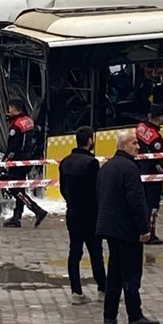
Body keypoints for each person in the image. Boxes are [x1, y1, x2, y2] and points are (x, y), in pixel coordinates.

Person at [95, 130, 158, 324]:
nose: (138, 147)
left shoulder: (106, 167)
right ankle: (135, 314)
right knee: (131, 273)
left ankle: (109, 314)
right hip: (127, 229)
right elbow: (136, 201)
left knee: (114, 272)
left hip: (110, 228)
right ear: (123, 146)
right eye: (134, 143)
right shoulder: (129, 168)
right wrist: (144, 228)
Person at [59, 126, 106, 305]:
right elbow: (96, 190)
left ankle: (76, 291)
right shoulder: (91, 163)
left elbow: (62, 188)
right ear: (89, 141)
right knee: (95, 252)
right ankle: (102, 288)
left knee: (75, 251)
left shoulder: (65, 162)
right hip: (90, 214)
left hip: (72, 212)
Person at [3, 99, 48, 228]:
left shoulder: (16, 125)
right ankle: (16, 217)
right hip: (28, 158)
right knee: (20, 187)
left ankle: (37, 210)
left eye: (9, 108)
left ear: (14, 108)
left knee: (14, 188)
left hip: (18, 160)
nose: (8, 111)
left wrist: (5, 161)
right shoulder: (28, 120)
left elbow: (13, 147)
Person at [135, 104, 163, 244]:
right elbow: (157, 160)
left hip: (139, 171)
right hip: (152, 175)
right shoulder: (156, 138)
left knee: (142, 204)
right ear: (160, 117)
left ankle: (140, 231)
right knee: (153, 205)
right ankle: (151, 234)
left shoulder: (140, 127)